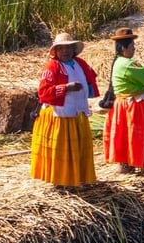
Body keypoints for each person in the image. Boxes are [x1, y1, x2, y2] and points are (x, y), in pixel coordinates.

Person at [30, 32, 99, 187]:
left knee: (77, 147)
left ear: (74, 49)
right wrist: (66, 88)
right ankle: (61, 180)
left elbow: (91, 80)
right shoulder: (52, 67)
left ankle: (76, 177)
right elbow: (43, 93)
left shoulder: (80, 64)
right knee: (62, 149)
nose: (65, 51)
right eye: (61, 49)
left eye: (69, 48)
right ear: (55, 51)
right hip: (59, 114)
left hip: (77, 113)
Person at [103, 28, 144, 173]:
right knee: (135, 137)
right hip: (133, 107)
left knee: (127, 136)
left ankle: (128, 166)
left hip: (127, 104)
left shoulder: (121, 62)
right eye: (132, 45)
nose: (134, 48)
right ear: (123, 47)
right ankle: (138, 165)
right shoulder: (126, 64)